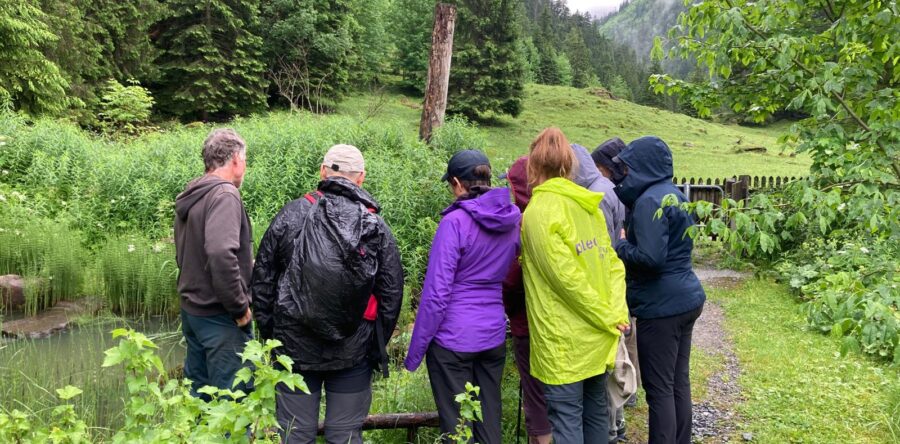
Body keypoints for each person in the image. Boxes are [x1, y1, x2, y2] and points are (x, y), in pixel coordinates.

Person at [251, 144, 404, 444]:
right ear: (360, 178)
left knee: (295, 435)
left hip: (293, 350)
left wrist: (274, 339)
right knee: (345, 436)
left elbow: (263, 283)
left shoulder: (290, 215)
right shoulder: (375, 224)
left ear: (323, 171)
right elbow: (392, 292)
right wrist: (374, 345)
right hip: (353, 352)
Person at [519, 128, 629, 444]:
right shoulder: (587, 205)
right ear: (569, 165)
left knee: (567, 423)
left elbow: (567, 281)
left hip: (563, 345)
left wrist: (609, 317)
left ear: (533, 167)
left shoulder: (538, 213)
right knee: (595, 417)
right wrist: (615, 313)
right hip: (597, 338)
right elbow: (612, 265)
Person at [405, 150, 521, 444]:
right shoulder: (512, 219)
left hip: (453, 340)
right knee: (489, 419)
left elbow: (436, 293)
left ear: (457, 183)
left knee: (457, 427)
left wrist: (415, 353)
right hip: (493, 333)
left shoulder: (454, 223)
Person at [612, 136, 706, 444]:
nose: (622, 174)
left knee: (660, 388)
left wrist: (622, 245)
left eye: (627, 168)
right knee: (678, 381)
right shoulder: (674, 194)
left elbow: (651, 258)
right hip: (686, 298)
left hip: (661, 307)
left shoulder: (649, 201)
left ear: (641, 167)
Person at [174, 128, 254, 398]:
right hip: (220, 317)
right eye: (244, 159)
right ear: (234, 159)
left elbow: (186, 252)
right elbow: (220, 253)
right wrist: (239, 307)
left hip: (193, 311)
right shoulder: (224, 195)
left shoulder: (193, 193)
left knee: (200, 402)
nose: (245, 166)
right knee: (232, 405)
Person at [570, 142, 631, 444]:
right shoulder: (609, 187)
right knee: (612, 359)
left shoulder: (597, 194)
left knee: (607, 365)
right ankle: (617, 424)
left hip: (601, 286)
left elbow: (602, 246)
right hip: (610, 283)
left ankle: (610, 429)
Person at [501, 155, 553, 444]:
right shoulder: (558, 213)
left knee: (535, 398)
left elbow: (511, 279)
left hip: (528, 323)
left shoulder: (521, 222)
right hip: (561, 322)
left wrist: (509, 306)